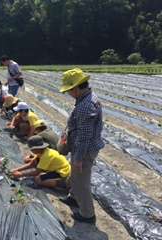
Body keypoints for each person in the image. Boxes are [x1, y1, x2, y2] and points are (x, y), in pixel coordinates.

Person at [59, 68, 105, 224]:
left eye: (69, 90)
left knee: (82, 181)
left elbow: (84, 137)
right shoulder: (86, 98)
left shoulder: (86, 106)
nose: (68, 93)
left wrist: (78, 158)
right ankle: (73, 197)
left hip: (84, 151)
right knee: (75, 175)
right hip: (80, 147)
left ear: (77, 87)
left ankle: (87, 214)